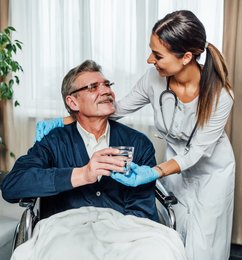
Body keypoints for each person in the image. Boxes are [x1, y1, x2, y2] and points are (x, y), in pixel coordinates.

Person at [33, 10, 235, 260]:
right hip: (174, 160)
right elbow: (116, 108)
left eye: (158, 55)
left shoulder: (220, 95)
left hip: (210, 167)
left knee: (206, 241)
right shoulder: (154, 78)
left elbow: (197, 153)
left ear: (186, 57)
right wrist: (66, 119)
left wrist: (155, 171)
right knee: (177, 232)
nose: (150, 60)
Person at [1, 59, 159, 222]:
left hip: (123, 235)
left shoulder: (138, 143)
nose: (106, 91)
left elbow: (142, 210)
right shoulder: (54, 141)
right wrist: (83, 174)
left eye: (107, 84)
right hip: (67, 235)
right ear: (73, 102)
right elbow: (12, 186)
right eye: (93, 87)